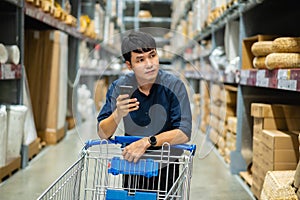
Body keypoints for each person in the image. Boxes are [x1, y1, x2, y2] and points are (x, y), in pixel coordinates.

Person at [97, 31, 192, 193]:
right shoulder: (120, 88)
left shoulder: (174, 87)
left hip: (167, 168)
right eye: (140, 60)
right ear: (129, 65)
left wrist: (148, 142)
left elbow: (184, 132)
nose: (150, 64)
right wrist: (118, 113)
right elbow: (102, 132)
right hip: (133, 166)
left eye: (152, 55)